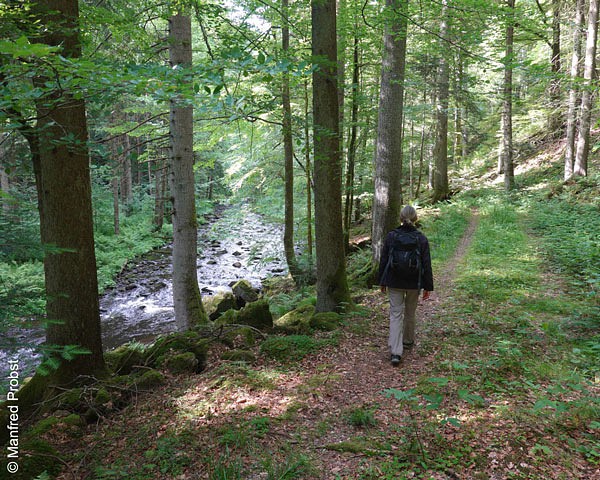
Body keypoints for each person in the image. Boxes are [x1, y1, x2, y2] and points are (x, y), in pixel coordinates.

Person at [378, 205, 433, 366]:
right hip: (414, 283)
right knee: (410, 313)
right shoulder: (421, 238)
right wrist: (427, 286)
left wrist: (382, 280)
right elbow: (426, 264)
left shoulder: (391, 236)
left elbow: (384, 260)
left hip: (394, 282)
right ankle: (408, 342)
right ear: (415, 218)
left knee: (395, 314)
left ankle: (396, 352)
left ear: (400, 218)